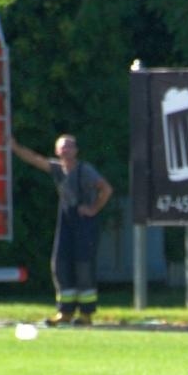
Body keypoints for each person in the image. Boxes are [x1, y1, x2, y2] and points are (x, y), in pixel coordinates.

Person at [10, 133, 112, 325]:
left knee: (83, 267)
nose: (66, 150)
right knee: (60, 265)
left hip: (84, 224)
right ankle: (65, 312)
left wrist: (92, 209)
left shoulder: (85, 170)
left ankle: (86, 315)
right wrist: (14, 147)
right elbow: (35, 159)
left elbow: (106, 189)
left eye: (70, 146)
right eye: (62, 147)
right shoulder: (57, 168)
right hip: (65, 222)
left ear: (76, 151)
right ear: (57, 151)